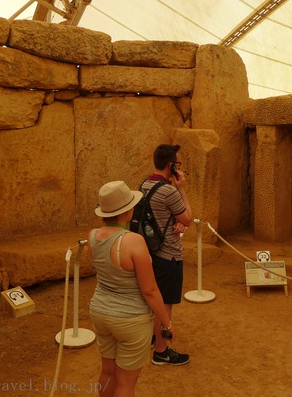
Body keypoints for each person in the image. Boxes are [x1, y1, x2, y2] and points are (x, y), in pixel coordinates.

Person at [89, 180, 175, 397]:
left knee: (107, 371)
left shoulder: (92, 236)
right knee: (126, 383)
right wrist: (166, 322)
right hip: (130, 318)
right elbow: (150, 290)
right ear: (128, 210)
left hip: (100, 311)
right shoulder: (133, 241)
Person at [139, 144, 193, 366]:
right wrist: (181, 188)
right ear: (171, 165)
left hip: (150, 252)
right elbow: (188, 217)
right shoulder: (169, 191)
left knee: (154, 299)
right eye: (177, 164)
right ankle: (161, 351)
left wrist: (177, 222)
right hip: (168, 254)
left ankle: (155, 337)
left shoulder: (145, 184)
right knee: (165, 304)